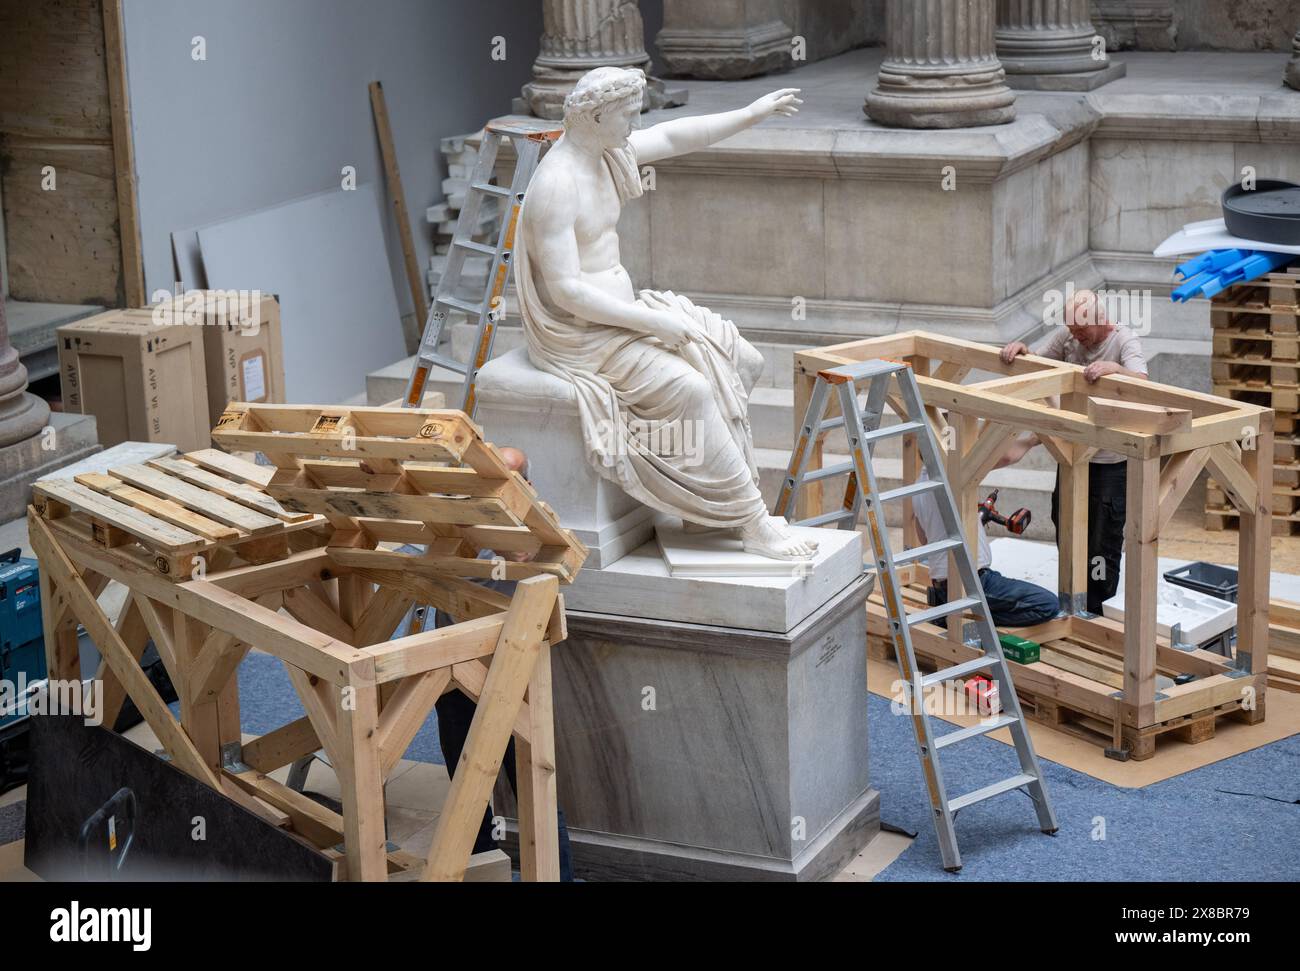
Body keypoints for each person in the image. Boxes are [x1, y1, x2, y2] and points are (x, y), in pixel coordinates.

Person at [517, 66, 817, 561]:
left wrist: (750, 114)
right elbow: (566, 291)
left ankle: (703, 510)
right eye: (627, 117)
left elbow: (673, 135)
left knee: (743, 360)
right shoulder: (556, 185)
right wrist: (653, 323)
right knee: (693, 388)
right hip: (583, 335)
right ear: (594, 117)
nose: (634, 127)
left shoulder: (605, 154)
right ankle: (750, 520)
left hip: (624, 316)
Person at [428, 446, 574, 880]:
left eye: (509, 480)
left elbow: (525, 554)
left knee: (533, 782)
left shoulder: (530, 524)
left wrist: (507, 540)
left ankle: (555, 873)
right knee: (464, 783)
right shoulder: (462, 515)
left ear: (525, 484)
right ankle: (480, 867)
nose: (497, 490)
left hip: (512, 669)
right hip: (455, 664)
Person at [999, 289, 1149, 614]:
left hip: (1109, 462)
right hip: (1072, 454)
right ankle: (1071, 598)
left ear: (1100, 321)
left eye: (1081, 329)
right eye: (1071, 329)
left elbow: (1142, 382)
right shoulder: (1068, 338)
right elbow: (1038, 364)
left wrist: (1116, 370)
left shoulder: (1125, 341)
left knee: (1101, 538)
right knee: (1064, 520)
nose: (1075, 335)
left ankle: (1095, 609)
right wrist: (1022, 351)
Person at [911, 467, 1059, 629]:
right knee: (1047, 605)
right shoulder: (953, 477)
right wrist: (1032, 440)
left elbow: (925, 538)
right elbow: (1008, 457)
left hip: (943, 586)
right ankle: (956, 616)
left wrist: (974, 522)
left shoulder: (920, 486)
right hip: (972, 584)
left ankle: (949, 610)